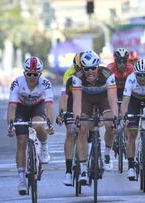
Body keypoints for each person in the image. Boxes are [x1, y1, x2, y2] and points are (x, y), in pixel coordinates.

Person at [7, 56, 54, 195]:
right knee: (21, 141)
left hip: (37, 107)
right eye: (29, 74)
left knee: (38, 125)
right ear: (24, 73)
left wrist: (50, 123)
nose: (32, 77)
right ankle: (21, 180)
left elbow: (49, 105)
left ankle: (44, 147)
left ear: (40, 74)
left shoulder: (45, 83)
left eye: (35, 74)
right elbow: (11, 107)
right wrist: (10, 124)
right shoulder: (17, 83)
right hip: (21, 108)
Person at [72, 50, 118, 185]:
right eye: (86, 69)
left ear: (98, 66)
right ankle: (83, 168)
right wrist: (77, 119)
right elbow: (76, 101)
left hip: (103, 98)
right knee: (82, 129)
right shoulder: (77, 77)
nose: (90, 71)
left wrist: (115, 116)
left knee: (111, 125)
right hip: (86, 99)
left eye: (93, 68)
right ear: (82, 68)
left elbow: (112, 98)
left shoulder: (107, 74)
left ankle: (107, 154)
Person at [119, 59, 145, 180]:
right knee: (132, 134)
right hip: (134, 101)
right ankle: (131, 166)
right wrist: (124, 116)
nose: (142, 78)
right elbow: (125, 101)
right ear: (135, 74)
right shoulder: (130, 79)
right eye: (139, 75)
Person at [56, 52, 84, 186]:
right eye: (77, 69)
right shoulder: (69, 74)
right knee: (71, 132)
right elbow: (64, 96)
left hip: (87, 100)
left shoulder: (92, 73)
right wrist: (62, 113)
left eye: (82, 69)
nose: (80, 72)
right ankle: (68, 171)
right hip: (72, 100)